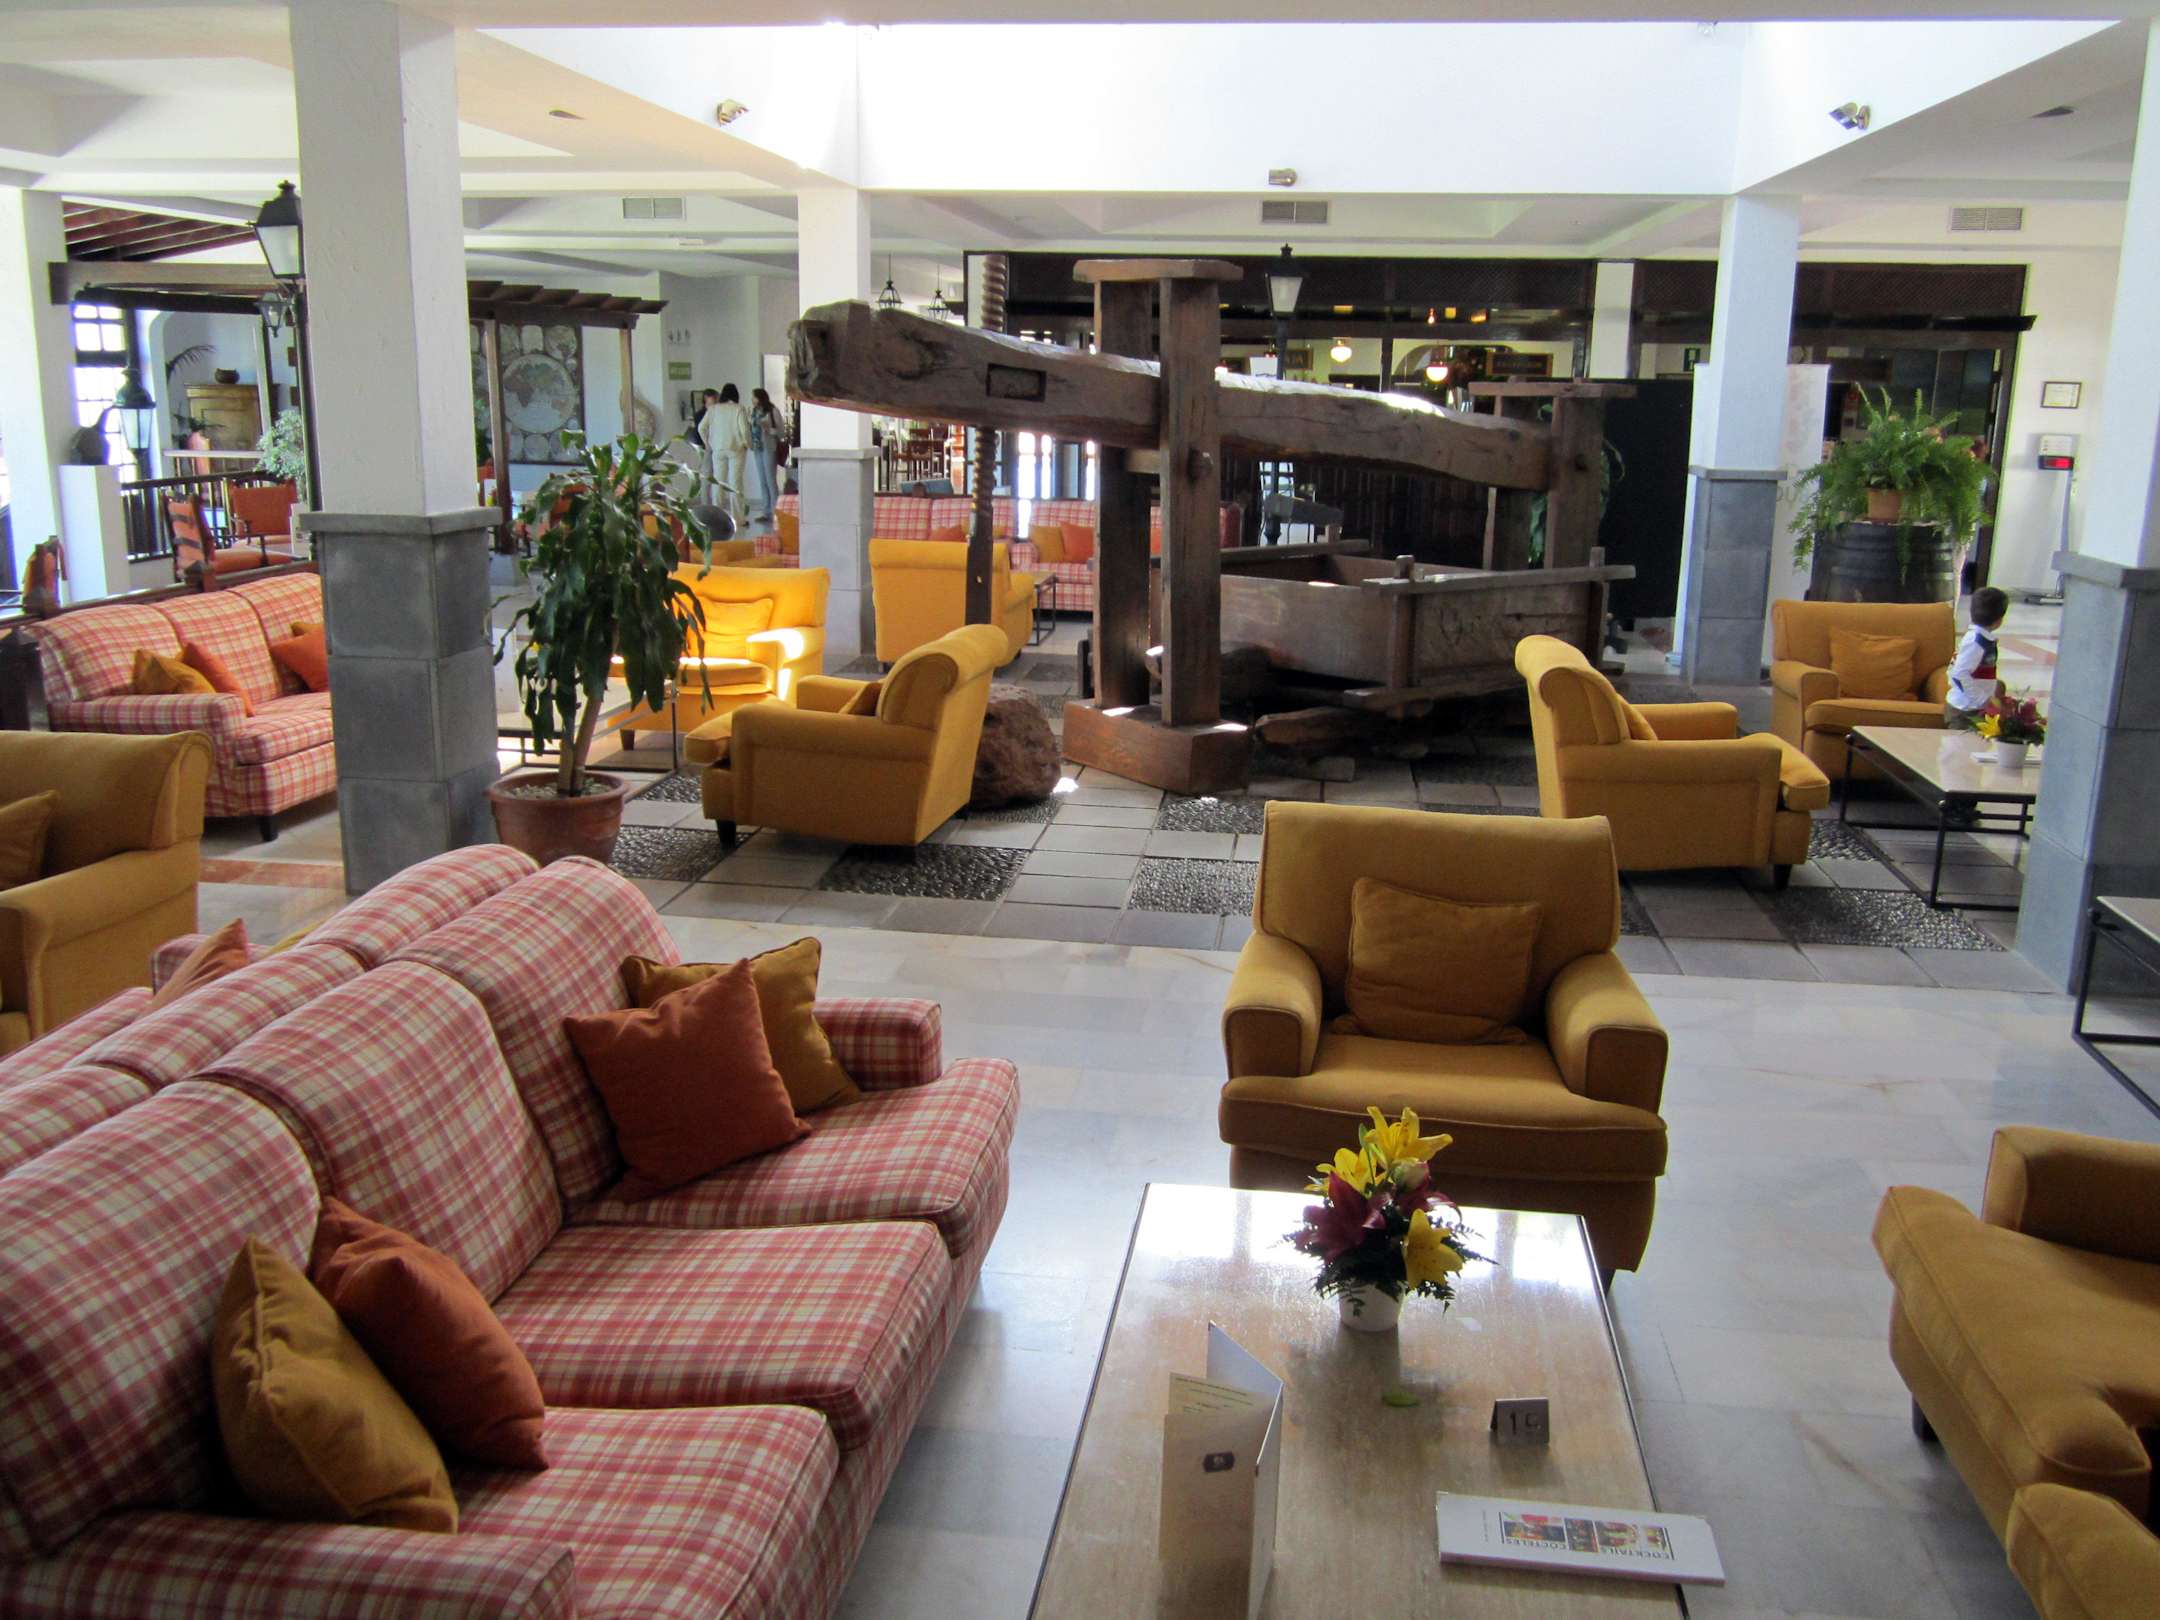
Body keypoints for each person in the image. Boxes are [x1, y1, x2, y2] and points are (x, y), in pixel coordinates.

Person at [1944, 585, 2009, 731]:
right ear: (1999, 620)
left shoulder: (1981, 639)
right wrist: (1983, 700)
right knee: (1958, 744)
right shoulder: (1977, 642)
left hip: (1972, 706)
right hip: (1964, 710)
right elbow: (1959, 674)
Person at [697, 385, 751, 520]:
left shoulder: (713, 409)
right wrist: (747, 444)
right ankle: (738, 518)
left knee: (718, 483)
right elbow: (744, 430)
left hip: (718, 450)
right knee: (735, 484)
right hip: (736, 449)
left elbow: (701, 427)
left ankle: (717, 516)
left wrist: (708, 443)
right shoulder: (738, 409)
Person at [747, 387, 784, 522]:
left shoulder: (772, 411)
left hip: (769, 447)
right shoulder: (754, 412)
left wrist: (768, 429)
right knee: (762, 481)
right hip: (758, 448)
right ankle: (766, 511)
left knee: (770, 480)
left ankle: (776, 511)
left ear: (760, 398)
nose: (752, 399)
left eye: (754, 397)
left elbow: (781, 432)